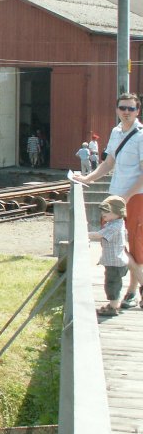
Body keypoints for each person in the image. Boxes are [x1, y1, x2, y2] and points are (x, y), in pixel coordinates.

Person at [74, 93, 143, 308]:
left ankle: (132, 291)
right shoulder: (115, 132)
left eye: (131, 109)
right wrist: (87, 178)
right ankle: (133, 288)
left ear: (138, 111)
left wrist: (126, 196)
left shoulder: (141, 135)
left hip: (136, 196)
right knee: (114, 241)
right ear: (117, 110)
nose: (126, 112)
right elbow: (109, 162)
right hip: (116, 195)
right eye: (123, 108)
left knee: (135, 243)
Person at [88, 196, 129, 317]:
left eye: (107, 211)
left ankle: (113, 307)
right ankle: (113, 305)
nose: (103, 213)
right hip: (115, 262)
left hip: (115, 263)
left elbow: (98, 235)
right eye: (102, 211)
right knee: (113, 284)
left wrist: (84, 234)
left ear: (117, 213)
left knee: (112, 285)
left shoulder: (114, 226)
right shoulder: (115, 223)